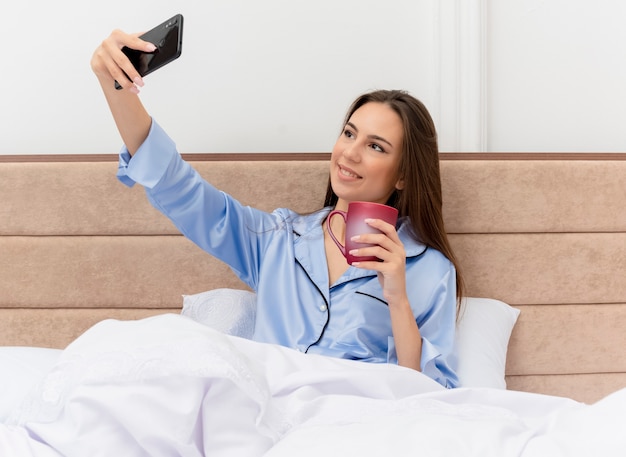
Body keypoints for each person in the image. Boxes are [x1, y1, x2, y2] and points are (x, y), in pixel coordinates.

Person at [90, 28, 464, 389]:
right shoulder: (276, 241)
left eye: (376, 146)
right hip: (267, 418)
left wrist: (397, 297)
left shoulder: (429, 271)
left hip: (357, 425)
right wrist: (115, 86)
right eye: (349, 133)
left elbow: (430, 399)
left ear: (403, 175)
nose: (350, 152)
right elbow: (180, 190)